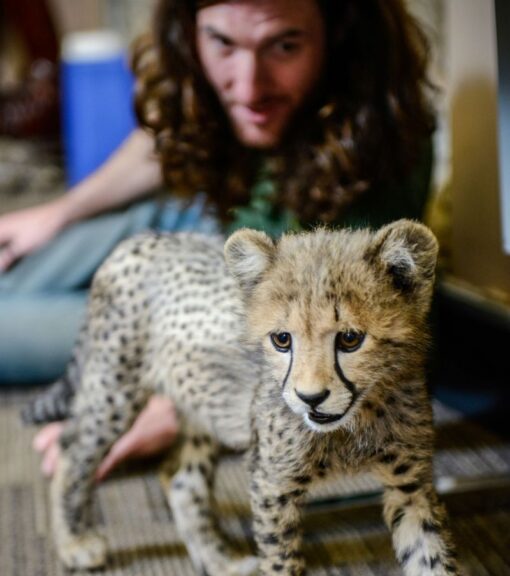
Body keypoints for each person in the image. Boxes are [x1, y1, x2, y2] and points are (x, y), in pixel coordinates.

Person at [0, 0, 435, 477]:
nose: (247, 86)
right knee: (14, 259)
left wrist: (179, 402)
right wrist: (59, 212)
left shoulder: (385, 132)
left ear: (338, 31)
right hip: (192, 222)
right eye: (222, 43)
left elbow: (333, 349)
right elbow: (162, 140)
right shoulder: (201, 72)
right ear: (189, 32)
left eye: (284, 46)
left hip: (227, 314)